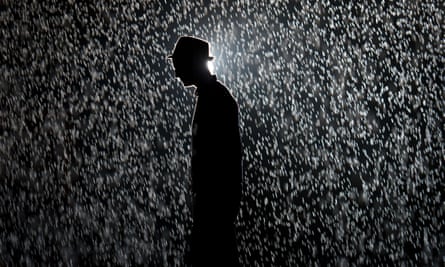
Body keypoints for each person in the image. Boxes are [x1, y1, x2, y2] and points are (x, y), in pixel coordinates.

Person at [168, 36, 242, 267]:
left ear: (194, 63)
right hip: (214, 207)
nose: (176, 73)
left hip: (214, 209)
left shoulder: (215, 100)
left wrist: (215, 210)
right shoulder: (214, 97)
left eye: (179, 65)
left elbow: (226, 159)